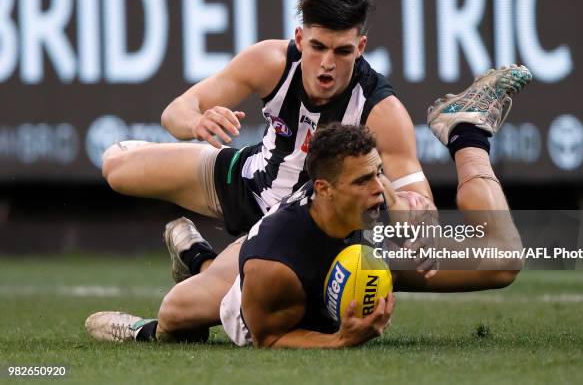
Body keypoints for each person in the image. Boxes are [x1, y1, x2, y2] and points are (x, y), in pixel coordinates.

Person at [85, 64, 532, 346]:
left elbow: (412, 197)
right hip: (257, 196)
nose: (328, 65)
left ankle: (467, 131)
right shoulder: (272, 64)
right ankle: (190, 278)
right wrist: (340, 339)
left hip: (351, 237)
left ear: (359, 45)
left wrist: (416, 224)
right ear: (302, 40)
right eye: (319, 46)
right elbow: (272, 335)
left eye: (342, 50)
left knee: (504, 260)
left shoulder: (382, 110)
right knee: (177, 314)